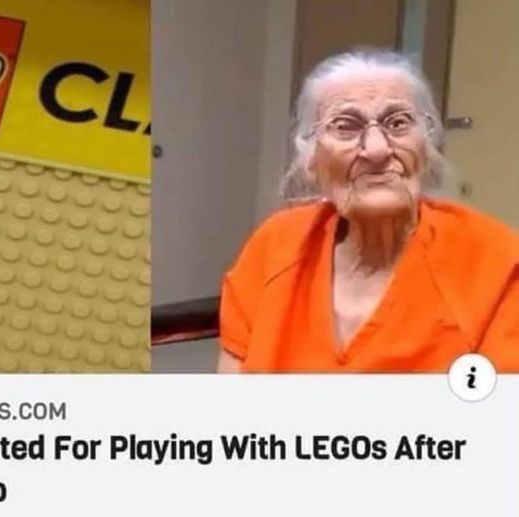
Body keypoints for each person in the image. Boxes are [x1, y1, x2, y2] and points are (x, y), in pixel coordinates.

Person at [218, 49, 519, 373]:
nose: (377, 149)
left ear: (427, 146)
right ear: (311, 159)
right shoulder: (274, 247)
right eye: (345, 126)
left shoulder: (497, 261)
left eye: (398, 123)